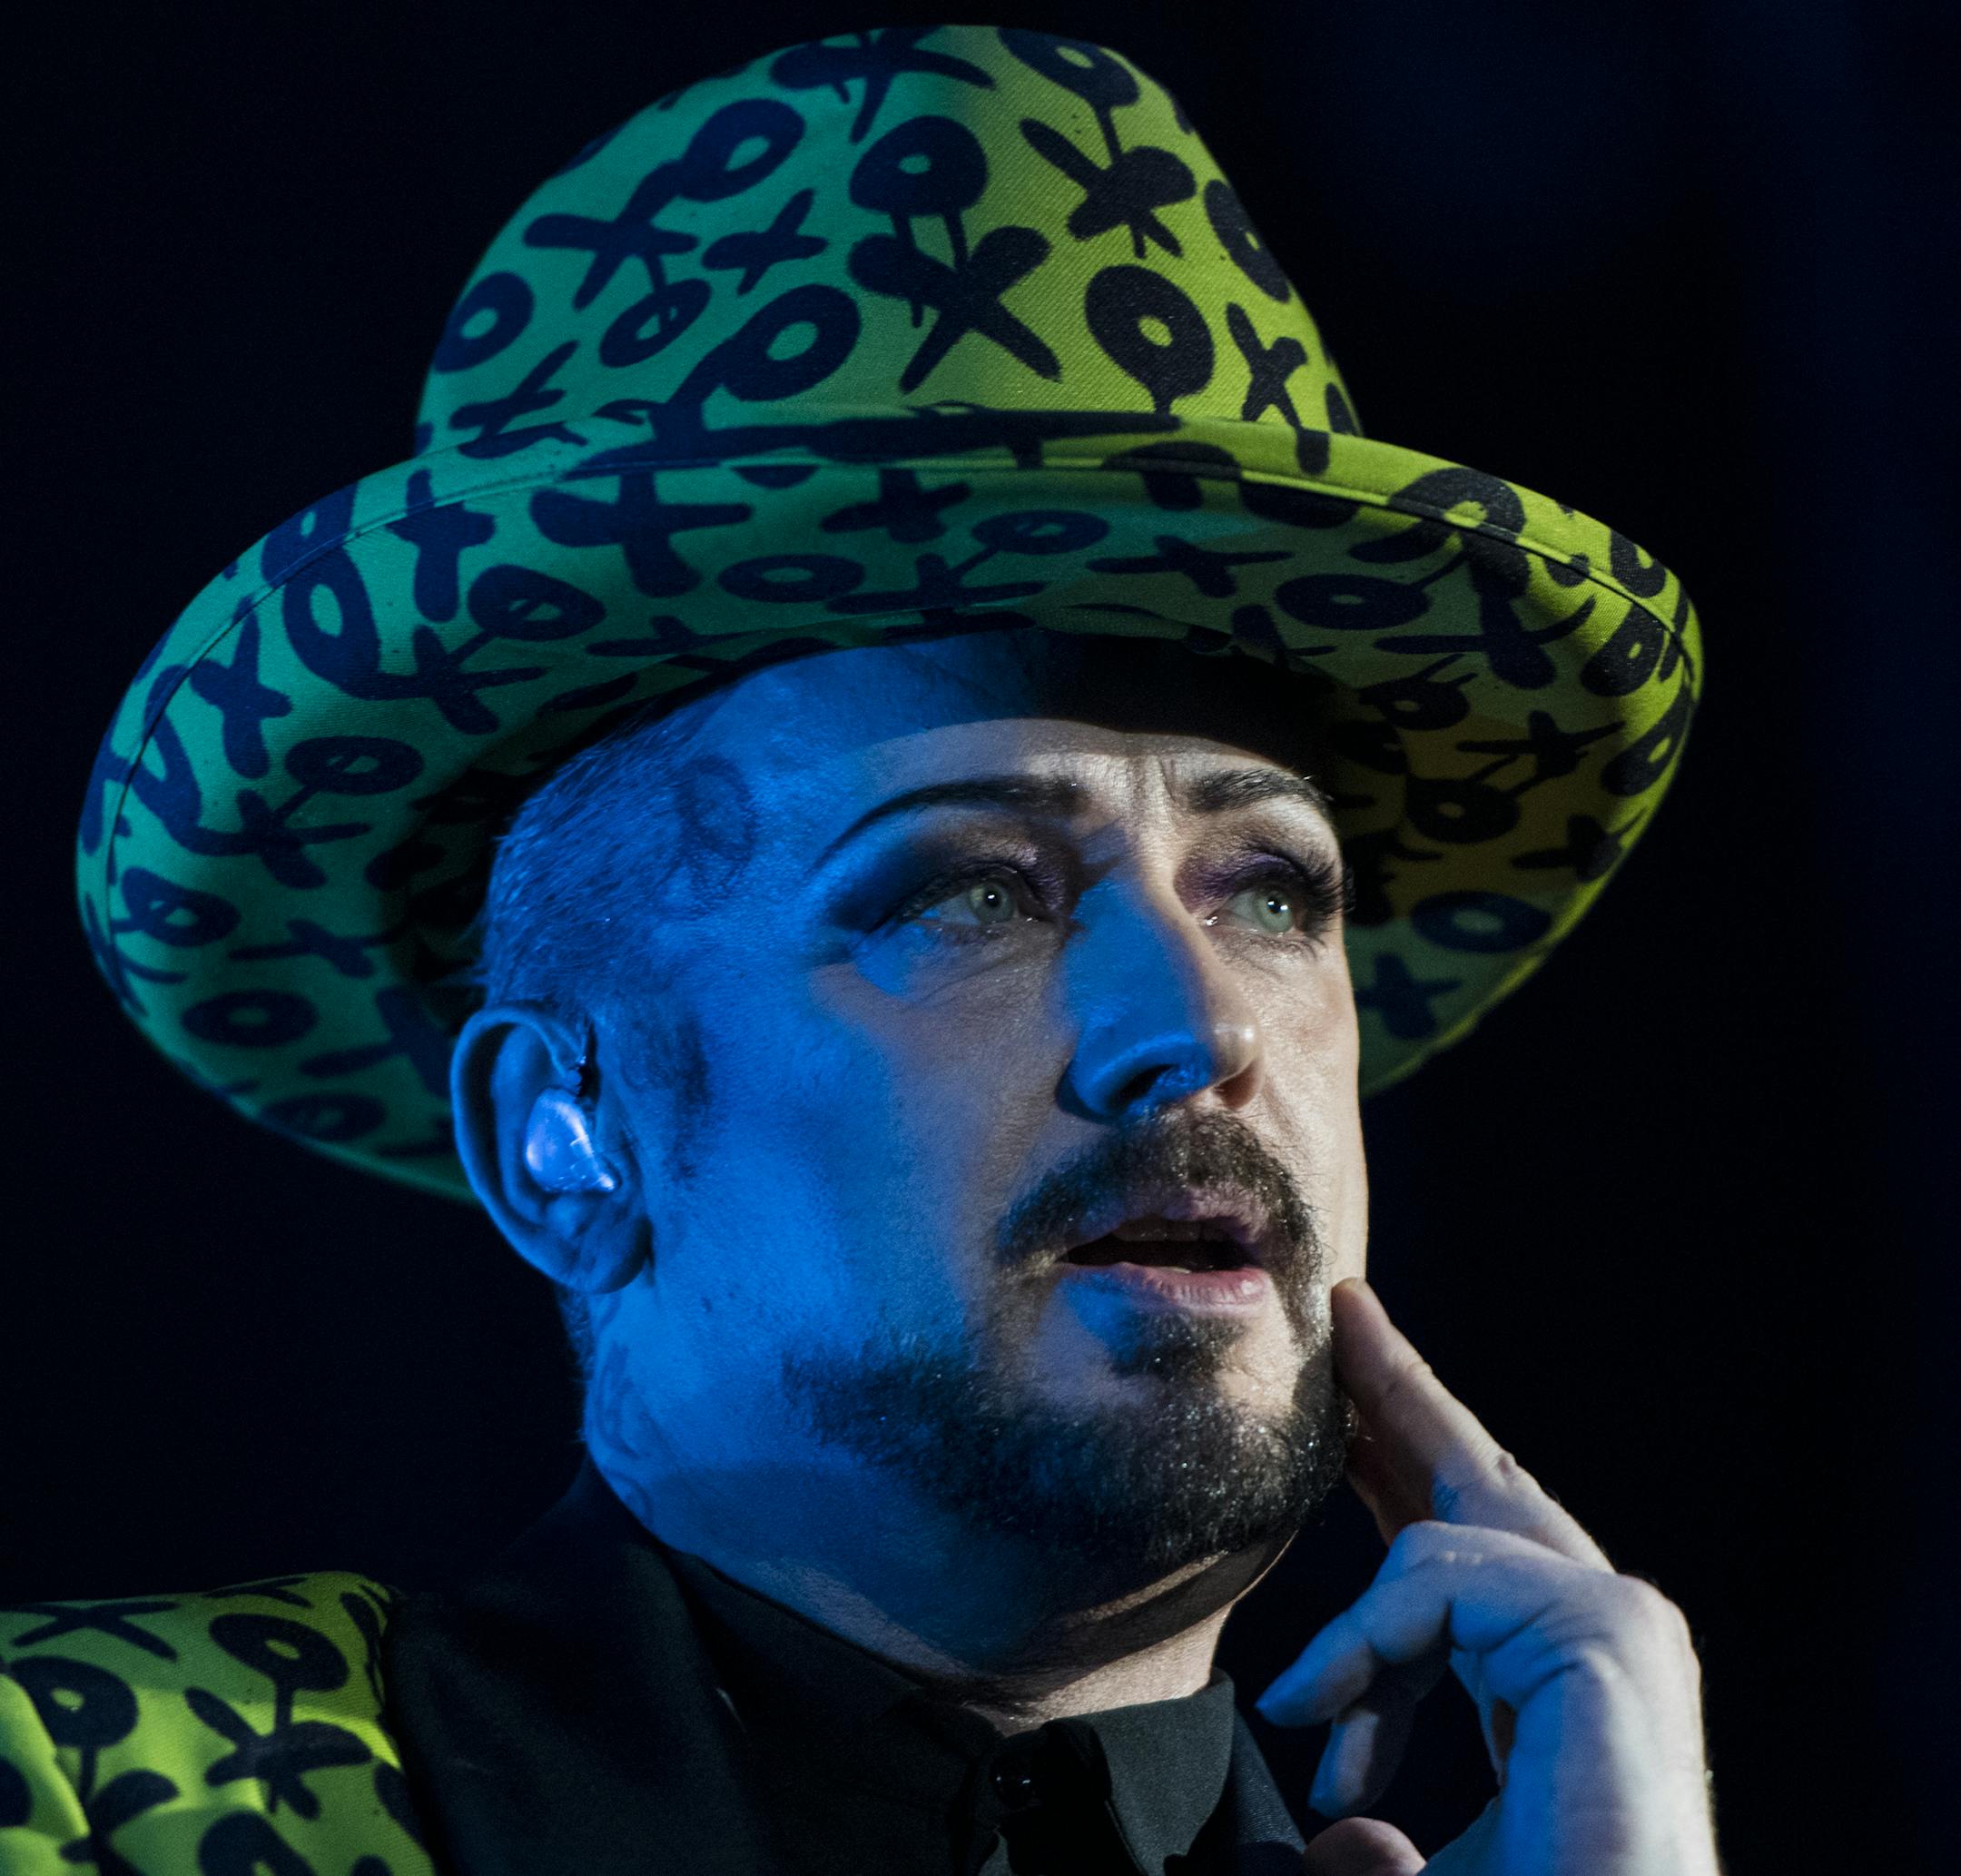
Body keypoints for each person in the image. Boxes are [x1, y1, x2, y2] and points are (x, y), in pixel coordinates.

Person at [14, 24, 1718, 1876]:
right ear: (562, 1141)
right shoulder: (90, 1800)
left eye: (1269, 891)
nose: (1195, 1022)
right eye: (970, 892)